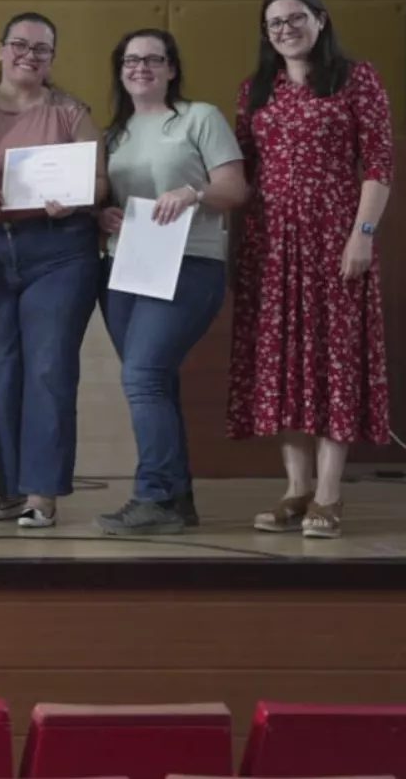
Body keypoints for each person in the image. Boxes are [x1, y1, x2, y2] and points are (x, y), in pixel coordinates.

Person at [233, 0, 393, 540]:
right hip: (270, 245)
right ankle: (296, 490)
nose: (285, 30)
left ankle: (329, 493)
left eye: (295, 18)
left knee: (333, 362)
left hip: (336, 241)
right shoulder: (255, 90)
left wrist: (363, 235)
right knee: (281, 369)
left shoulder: (357, 79)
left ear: (320, 21)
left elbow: (378, 165)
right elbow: (241, 173)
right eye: (274, 23)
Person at [94, 29, 247, 535]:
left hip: (189, 265)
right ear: (120, 71)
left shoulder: (199, 117)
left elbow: (234, 189)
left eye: (153, 59)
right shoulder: (114, 133)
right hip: (126, 265)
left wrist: (192, 192)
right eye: (131, 60)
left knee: (141, 377)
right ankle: (177, 500)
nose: (141, 67)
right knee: (155, 381)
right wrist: (105, 216)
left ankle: (154, 496)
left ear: (172, 68)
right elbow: (104, 198)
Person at [0, 13, 105, 529]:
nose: (29, 55)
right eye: (19, 45)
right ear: (0, 50)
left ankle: (41, 494)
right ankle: (9, 490)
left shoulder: (70, 111)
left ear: (52, 59)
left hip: (59, 253)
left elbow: (99, 181)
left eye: (41, 49)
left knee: (47, 371)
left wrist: (71, 199)